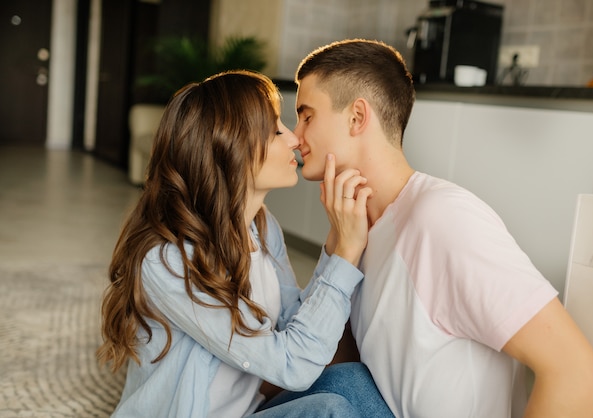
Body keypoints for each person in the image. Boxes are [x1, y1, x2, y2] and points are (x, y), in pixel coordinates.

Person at [292, 39, 593, 418]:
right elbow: (332, 368)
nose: (295, 136)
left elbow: (579, 377)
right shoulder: (356, 231)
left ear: (357, 118)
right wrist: (340, 252)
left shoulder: (442, 219)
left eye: (306, 116)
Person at [96, 70, 393, 418]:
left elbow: (290, 320)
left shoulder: (261, 227)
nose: (294, 139)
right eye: (274, 131)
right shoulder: (170, 260)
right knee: (329, 410)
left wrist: (335, 240)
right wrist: (347, 253)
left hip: (246, 411)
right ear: (230, 148)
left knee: (353, 381)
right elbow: (292, 366)